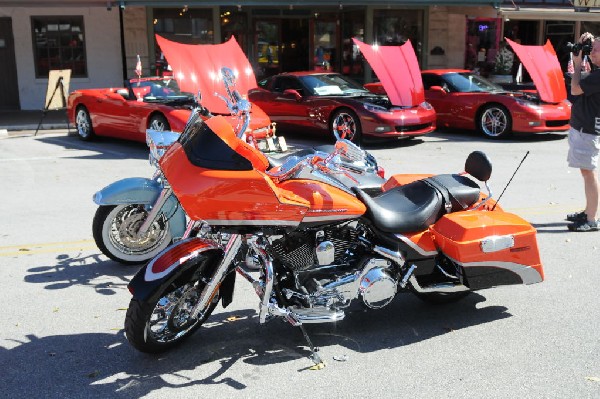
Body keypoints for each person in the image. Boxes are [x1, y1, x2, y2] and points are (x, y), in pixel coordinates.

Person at [566, 32, 600, 231]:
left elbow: (576, 89)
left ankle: (591, 219)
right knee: (586, 172)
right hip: (583, 129)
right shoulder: (597, 72)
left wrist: (577, 63)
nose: (592, 53)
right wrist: (584, 44)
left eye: (595, 50)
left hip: (587, 131)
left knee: (589, 173)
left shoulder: (599, 76)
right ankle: (589, 211)